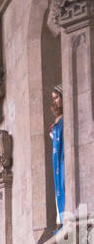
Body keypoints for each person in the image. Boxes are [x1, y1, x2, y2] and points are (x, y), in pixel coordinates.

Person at [50, 85, 65, 226]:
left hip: (64, 159)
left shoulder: (66, 120)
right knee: (59, 186)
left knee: (64, 183)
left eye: (56, 98)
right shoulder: (57, 123)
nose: (54, 102)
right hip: (58, 161)